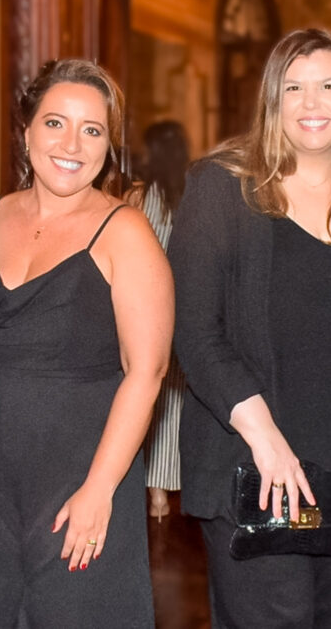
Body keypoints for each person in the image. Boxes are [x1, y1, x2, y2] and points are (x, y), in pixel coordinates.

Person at [167, 28, 331, 628]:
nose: (311, 103)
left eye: (328, 85)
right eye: (293, 87)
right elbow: (193, 330)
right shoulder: (223, 187)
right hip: (256, 465)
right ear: (272, 99)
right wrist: (264, 437)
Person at [0, 59, 174, 628]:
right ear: (26, 131)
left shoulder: (126, 232)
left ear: (109, 146)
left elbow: (146, 372)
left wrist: (100, 491)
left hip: (79, 483)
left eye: (92, 130)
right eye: (55, 123)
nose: (71, 143)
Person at [125, 119, 190, 520]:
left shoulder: (139, 197)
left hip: (145, 305)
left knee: (152, 391)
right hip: (184, 304)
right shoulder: (192, 194)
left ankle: (156, 494)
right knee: (178, 398)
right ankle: (172, 487)